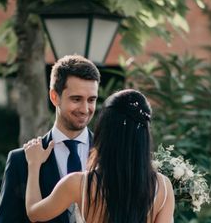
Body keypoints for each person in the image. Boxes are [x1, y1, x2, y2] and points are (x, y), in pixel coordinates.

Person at [24, 89, 175, 223]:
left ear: (104, 132)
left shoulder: (78, 184)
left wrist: (33, 165)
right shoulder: (163, 187)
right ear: (144, 136)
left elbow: (34, 213)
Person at [0, 54, 101, 223]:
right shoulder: (20, 161)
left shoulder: (110, 154)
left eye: (91, 100)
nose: (85, 109)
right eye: (76, 99)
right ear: (54, 97)